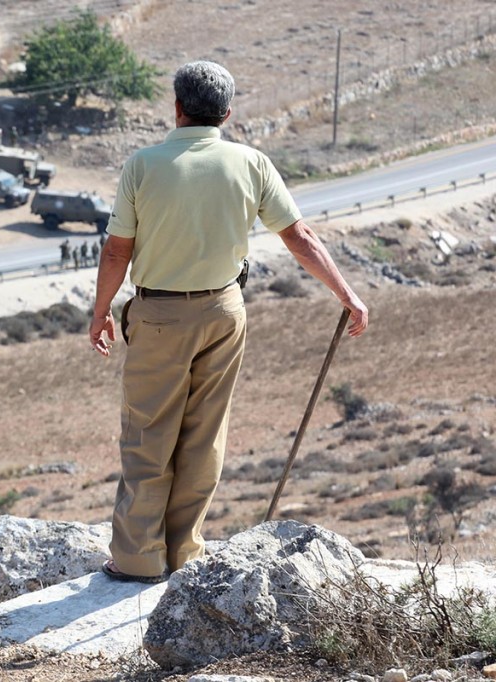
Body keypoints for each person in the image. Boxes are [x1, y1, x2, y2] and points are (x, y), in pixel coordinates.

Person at [89, 61, 368, 583]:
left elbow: (116, 252)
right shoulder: (252, 163)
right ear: (227, 113)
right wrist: (347, 294)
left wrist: (101, 310)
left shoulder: (144, 164)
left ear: (177, 108)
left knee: (150, 433)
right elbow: (300, 238)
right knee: (204, 435)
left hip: (159, 315)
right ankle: (185, 553)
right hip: (223, 311)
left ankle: (137, 559)